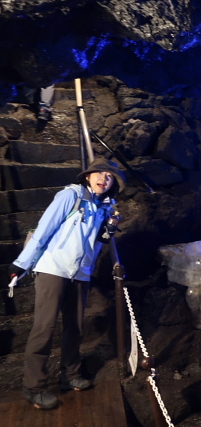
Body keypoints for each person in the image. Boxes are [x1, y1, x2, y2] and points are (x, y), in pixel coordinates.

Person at [8, 158, 126, 410]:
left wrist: (109, 229)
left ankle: (69, 375)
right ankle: (34, 387)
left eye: (109, 177)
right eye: (100, 173)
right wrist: (22, 263)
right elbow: (44, 229)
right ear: (87, 176)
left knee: (75, 327)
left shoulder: (104, 207)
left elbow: (100, 241)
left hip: (80, 273)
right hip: (54, 269)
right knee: (45, 328)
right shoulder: (69, 196)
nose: (104, 178)